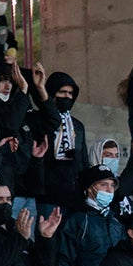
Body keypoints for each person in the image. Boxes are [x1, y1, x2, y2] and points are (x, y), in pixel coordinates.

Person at [33, 70, 88, 211]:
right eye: (62, 92)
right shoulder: (39, 120)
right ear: (51, 93)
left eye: (70, 94)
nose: (67, 97)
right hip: (47, 194)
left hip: (73, 193)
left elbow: (83, 160)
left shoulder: (77, 125)